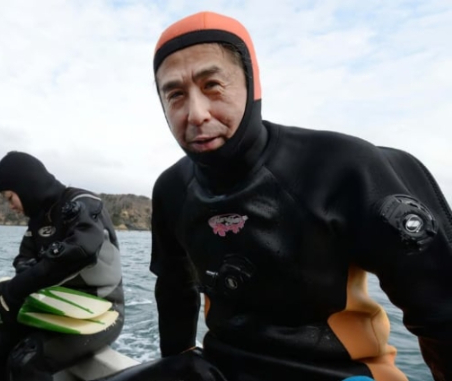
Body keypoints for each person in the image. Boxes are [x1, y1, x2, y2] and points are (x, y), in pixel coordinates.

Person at [96, 11, 452, 381]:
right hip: (223, 369)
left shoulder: (338, 167)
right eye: (175, 95)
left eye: (213, 85)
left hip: (342, 372)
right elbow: (174, 291)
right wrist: (179, 363)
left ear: (253, 85)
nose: (196, 114)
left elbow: (441, 312)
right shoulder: (172, 190)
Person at [0, 151, 124, 381]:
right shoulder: (37, 221)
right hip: (51, 307)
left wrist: (21, 285)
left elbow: (82, 250)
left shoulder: (83, 203)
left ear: (26, 186)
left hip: (102, 310)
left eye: (10, 197)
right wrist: (24, 276)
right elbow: (23, 259)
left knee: (27, 361)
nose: (10, 206)